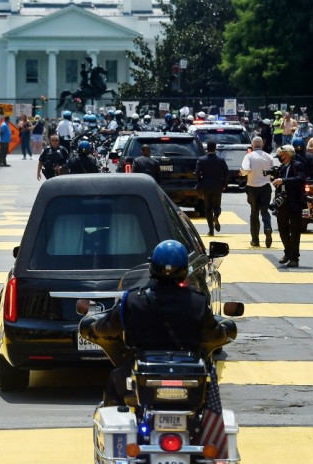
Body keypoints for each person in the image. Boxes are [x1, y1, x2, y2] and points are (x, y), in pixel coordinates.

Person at [83, 239, 224, 406]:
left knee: (115, 380)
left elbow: (106, 328)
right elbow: (216, 335)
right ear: (185, 269)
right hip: (189, 374)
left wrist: (95, 326)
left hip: (143, 370)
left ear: (152, 267)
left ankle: (117, 432)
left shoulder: (133, 300)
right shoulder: (198, 302)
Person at [272, 145, 307, 268]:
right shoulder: (281, 168)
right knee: (282, 230)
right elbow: (278, 183)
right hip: (282, 203)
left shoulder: (297, 165)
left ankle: (294, 258)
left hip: (295, 202)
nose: (280, 158)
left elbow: (300, 178)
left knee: (295, 231)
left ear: (287, 154)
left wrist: (284, 180)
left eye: (281, 155)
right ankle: (288, 252)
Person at [240, 136, 274, 247]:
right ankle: (267, 228)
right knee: (265, 211)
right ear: (262, 145)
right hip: (265, 187)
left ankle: (255, 239)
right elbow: (273, 171)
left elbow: (245, 169)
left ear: (252, 145)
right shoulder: (269, 156)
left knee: (254, 214)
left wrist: (242, 173)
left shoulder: (249, 156)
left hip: (252, 187)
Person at [195, 141, 229, 236]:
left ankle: (211, 230)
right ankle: (216, 216)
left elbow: (197, 173)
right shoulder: (221, 160)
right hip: (218, 186)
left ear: (207, 149)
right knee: (217, 206)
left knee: (208, 208)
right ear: (215, 149)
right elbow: (226, 173)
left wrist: (200, 180)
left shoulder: (201, 160)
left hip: (206, 186)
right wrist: (224, 184)